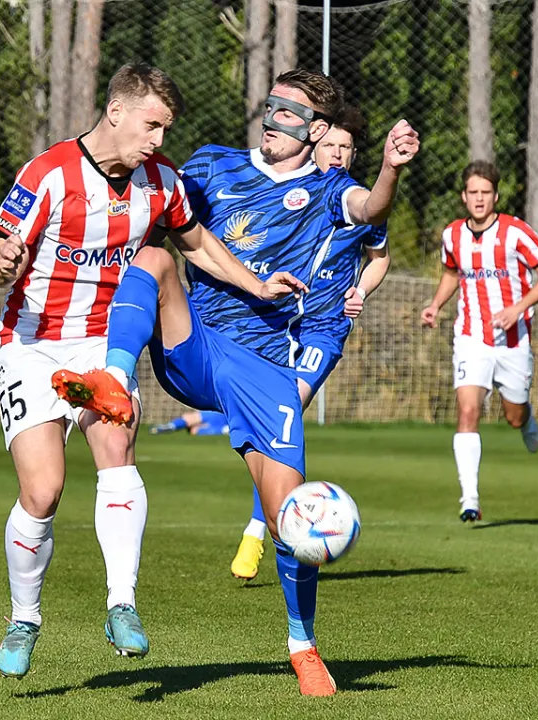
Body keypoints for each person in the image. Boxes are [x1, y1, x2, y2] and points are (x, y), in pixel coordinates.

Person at [52, 68, 419, 696]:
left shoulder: (330, 189)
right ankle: (114, 376)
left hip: (266, 368)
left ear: (319, 130)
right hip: (193, 344)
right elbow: (155, 211)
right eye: (273, 105)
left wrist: (389, 169)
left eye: (292, 113)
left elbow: (370, 209)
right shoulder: (210, 166)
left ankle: (302, 646)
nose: (275, 119)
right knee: (156, 260)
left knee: (293, 519)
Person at [0, 63, 301, 678]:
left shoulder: (162, 182)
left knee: (117, 451)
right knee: (42, 490)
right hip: (32, 345)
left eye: (166, 128)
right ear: (118, 111)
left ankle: (121, 604)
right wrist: (2, 259)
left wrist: (256, 284)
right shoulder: (48, 175)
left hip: (105, 345)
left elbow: (198, 243)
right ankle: (25, 615)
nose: (158, 139)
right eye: (152, 125)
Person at [228, 105, 392, 581]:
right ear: (313, 146)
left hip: (324, 329)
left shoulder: (358, 201)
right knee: (268, 428)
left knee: (284, 413)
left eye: (346, 148)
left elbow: (379, 258)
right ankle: (270, 521)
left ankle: (259, 530)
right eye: (330, 145)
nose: (338, 154)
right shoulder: (291, 194)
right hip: (277, 325)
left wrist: (360, 289)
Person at [419, 160, 538, 522]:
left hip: (513, 340)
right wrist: (435, 305)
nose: (479, 199)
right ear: (464, 197)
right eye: (473, 193)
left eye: (486, 193)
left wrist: (518, 308)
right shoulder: (452, 235)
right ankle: (470, 499)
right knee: (467, 410)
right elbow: (452, 273)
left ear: (495, 196)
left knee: (513, 416)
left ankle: (526, 418)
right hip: (471, 337)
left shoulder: (515, 232)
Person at [149, 410, 230, 436]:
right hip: (224, 416)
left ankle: (172, 426)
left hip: (220, 414)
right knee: (194, 430)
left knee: (190, 421)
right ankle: (172, 426)